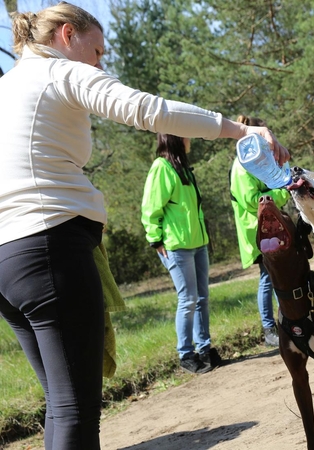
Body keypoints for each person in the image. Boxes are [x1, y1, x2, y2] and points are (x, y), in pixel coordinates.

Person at [0, 3, 289, 450]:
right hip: (47, 250)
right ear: (66, 35)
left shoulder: (7, 86)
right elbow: (148, 110)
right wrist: (239, 130)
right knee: (76, 410)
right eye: (96, 52)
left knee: (62, 404)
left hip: (6, 263)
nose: (100, 63)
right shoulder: (59, 73)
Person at [141, 134, 220, 374]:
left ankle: (205, 349)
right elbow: (151, 207)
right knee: (188, 300)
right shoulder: (161, 167)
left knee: (202, 298)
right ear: (175, 138)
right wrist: (155, 240)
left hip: (197, 243)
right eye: (185, 134)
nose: (190, 138)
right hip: (175, 246)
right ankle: (186, 355)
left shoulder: (183, 168)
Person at [230, 115, 290, 347]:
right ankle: (269, 329)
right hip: (256, 231)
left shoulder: (257, 160)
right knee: (268, 277)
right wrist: (284, 193)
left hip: (268, 227)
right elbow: (253, 201)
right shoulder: (242, 165)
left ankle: (283, 321)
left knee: (276, 275)